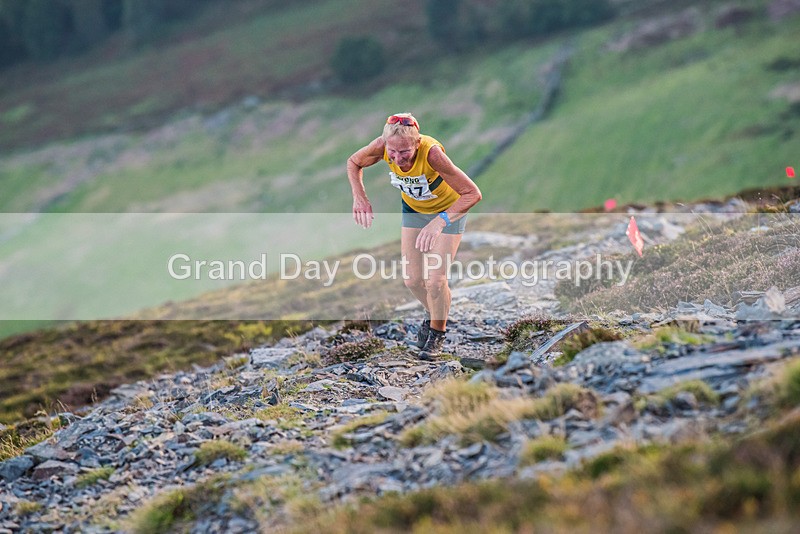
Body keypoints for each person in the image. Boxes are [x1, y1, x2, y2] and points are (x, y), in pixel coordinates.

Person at [346, 113, 482, 359]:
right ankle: (435, 315)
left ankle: (436, 336)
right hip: (414, 210)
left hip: (448, 212)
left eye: (405, 153)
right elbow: (353, 162)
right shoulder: (382, 146)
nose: (397, 159)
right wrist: (360, 197)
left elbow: (472, 194)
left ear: (417, 144)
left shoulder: (432, 154)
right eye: (392, 152)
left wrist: (439, 222)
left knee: (436, 282)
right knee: (412, 280)